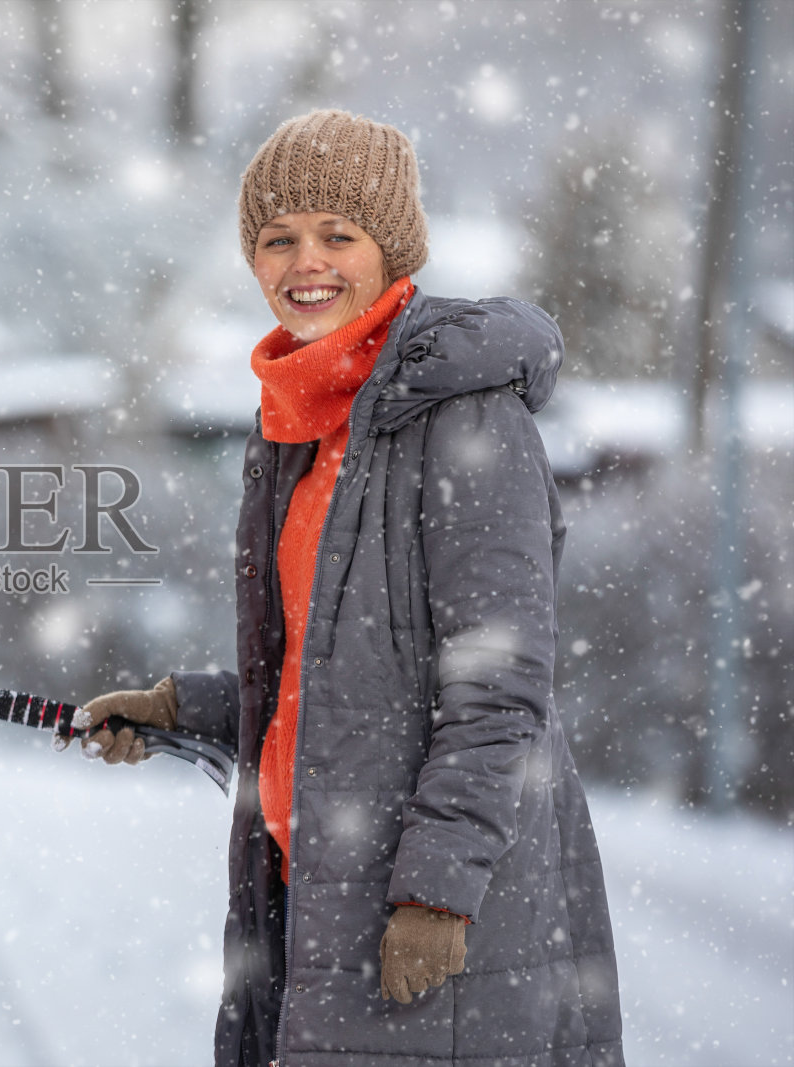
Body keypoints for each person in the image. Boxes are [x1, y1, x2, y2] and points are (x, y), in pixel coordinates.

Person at [67, 110, 624, 1067]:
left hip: (436, 915)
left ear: (392, 248)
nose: (306, 262)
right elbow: (338, 672)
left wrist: (437, 890)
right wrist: (186, 708)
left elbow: (499, 690)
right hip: (312, 893)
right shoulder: (302, 421)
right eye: (278, 238)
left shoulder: (466, 419)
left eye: (338, 234)